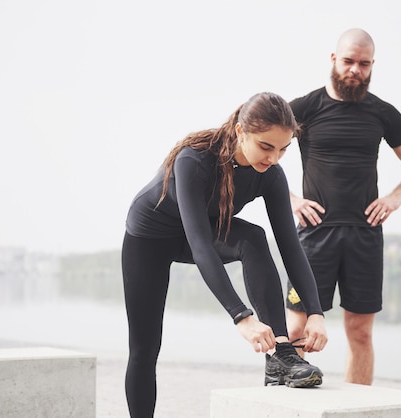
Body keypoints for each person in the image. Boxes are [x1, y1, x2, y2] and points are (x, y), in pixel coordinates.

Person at [121, 92, 328, 417]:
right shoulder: (194, 160)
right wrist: (241, 316)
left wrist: (315, 311)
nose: (274, 158)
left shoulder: (270, 174)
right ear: (240, 132)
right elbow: (201, 245)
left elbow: (290, 246)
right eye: (266, 146)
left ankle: (281, 354)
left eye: (283, 149)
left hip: (205, 230)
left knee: (254, 238)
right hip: (150, 238)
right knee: (145, 349)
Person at [284, 28, 401, 385]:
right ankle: (286, 403)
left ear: (372, 65)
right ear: (334, 60)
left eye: (363, 64)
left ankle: (357, 407)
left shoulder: (383, 113)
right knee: (296, 327)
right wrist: (291, 201)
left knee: (360, 332)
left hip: (365, 236)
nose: (355, 70)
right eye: (348, 61)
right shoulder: (303, 108)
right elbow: (258, 155)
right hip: (313, 237)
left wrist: (394, 198)